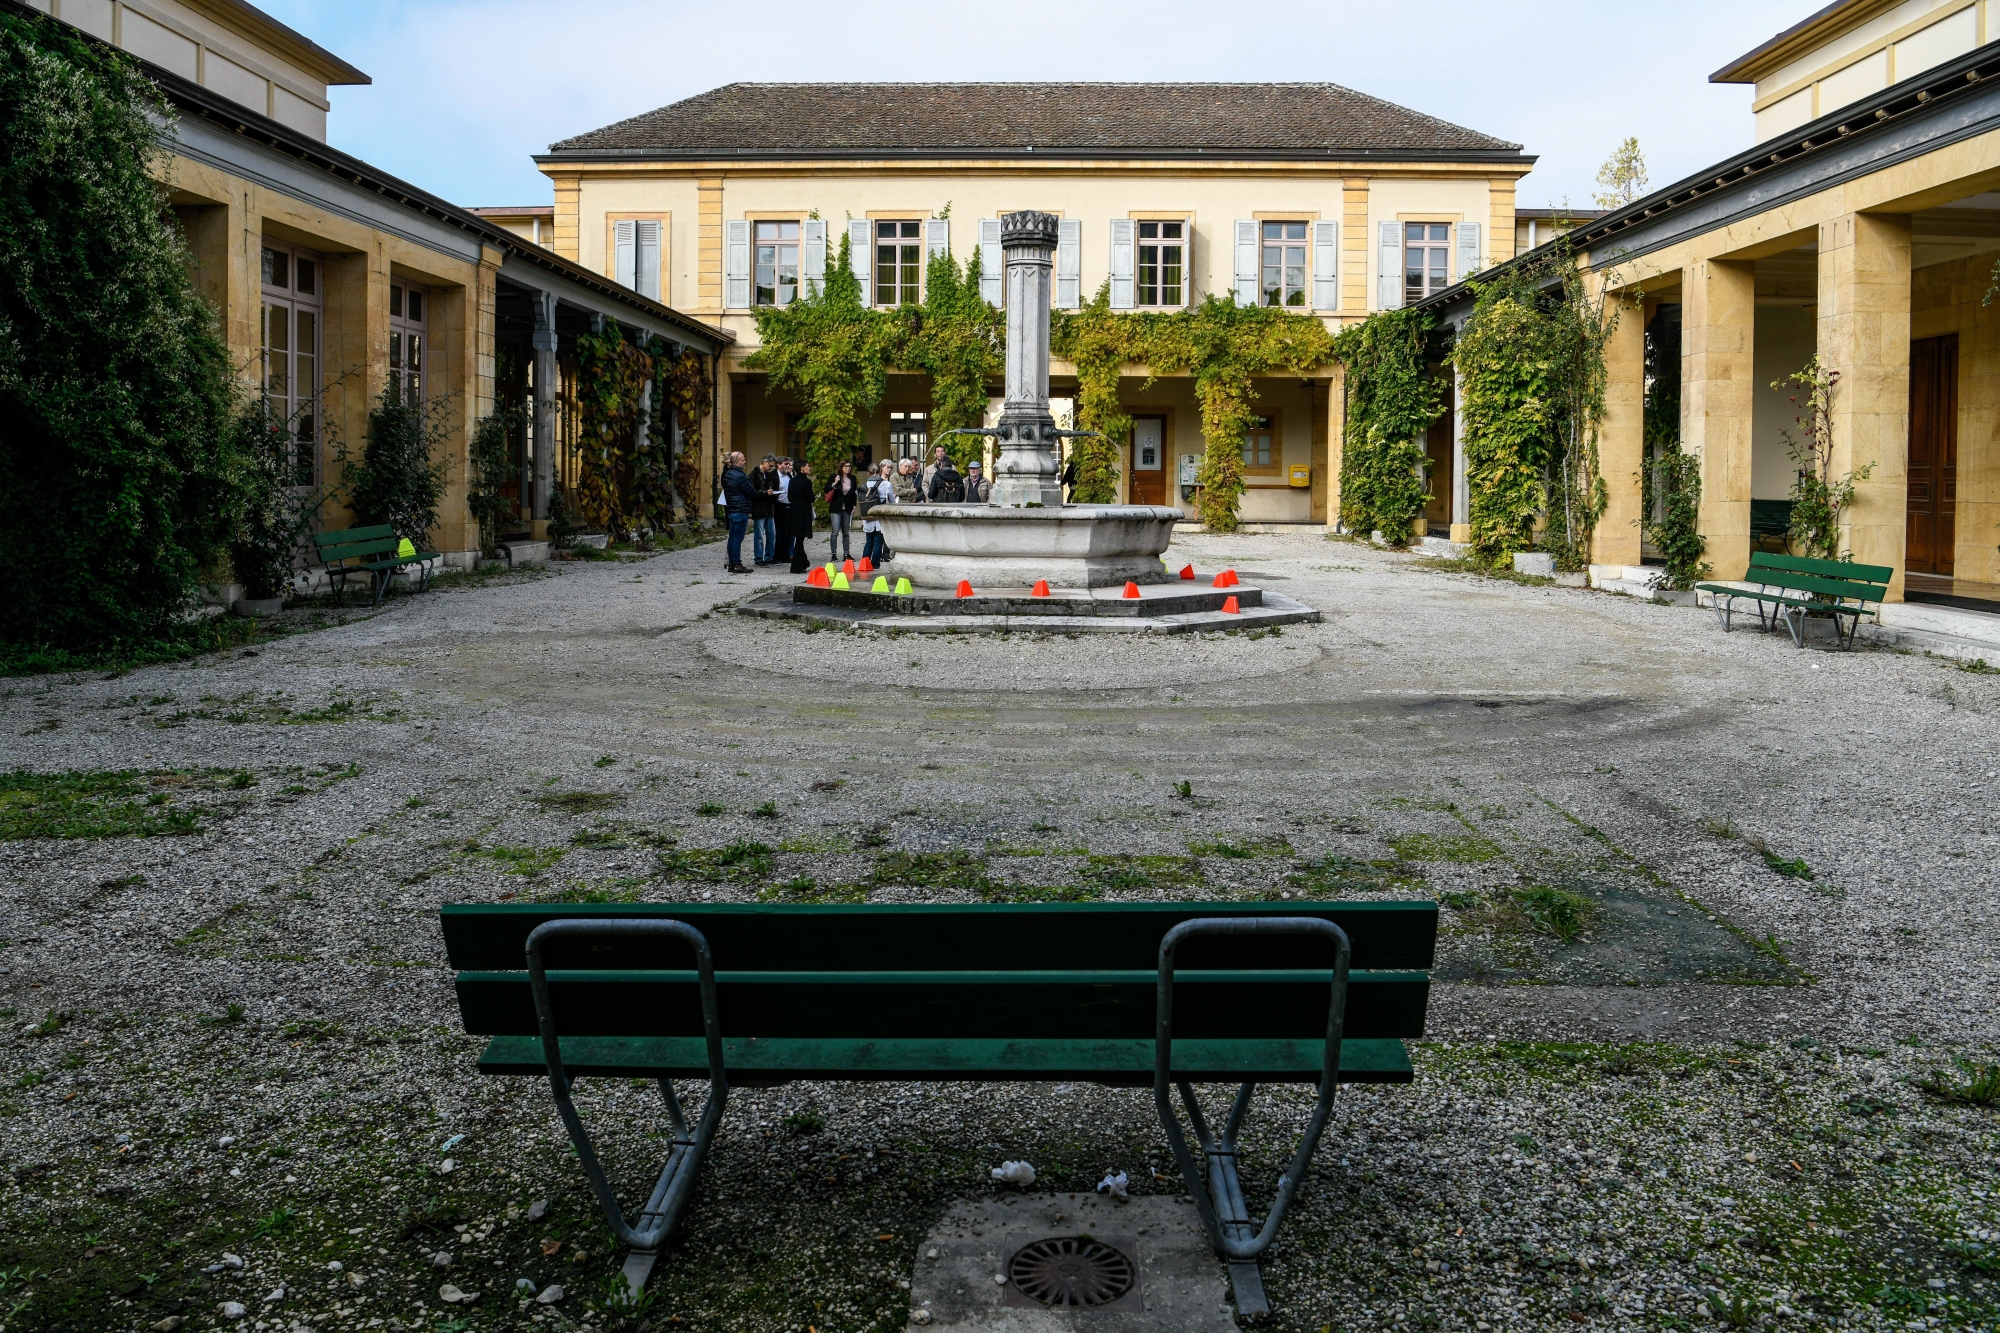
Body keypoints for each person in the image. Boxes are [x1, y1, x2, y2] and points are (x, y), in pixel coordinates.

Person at [720, 451, 754, 573]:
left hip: (732, 508)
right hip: (740, 508)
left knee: (732, 537)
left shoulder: (728, 474)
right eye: (742, 460)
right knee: (737, 538)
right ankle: (736, 563)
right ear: (735, 462)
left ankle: (731, 563)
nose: (744, 461)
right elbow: (750, 491)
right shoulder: (740, 475)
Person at [860, 459, 895, 566]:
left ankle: (865, 563)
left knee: (868, 542)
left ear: (868, 473)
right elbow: (892, 501)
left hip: (868, 516)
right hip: (880, 517)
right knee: (878, 542)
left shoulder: (864, 486)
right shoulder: (886, 484)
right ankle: (875, 564)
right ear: (880, 471)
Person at [823, 460, 859, 562]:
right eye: (845, 466)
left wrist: (854, 505)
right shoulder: (835, 476)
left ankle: (846, 554)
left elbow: (853, 494)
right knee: (835, 532)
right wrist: (835, 483)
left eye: (849, 466)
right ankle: (834, 554)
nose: (848, 468)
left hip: (847, 507)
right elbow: (826, 489)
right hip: (836, 507)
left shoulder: (852, 478)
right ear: (841, 467)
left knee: (846, 532)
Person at [787, 460, 816, 574]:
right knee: (800, 539)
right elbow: (811, 498)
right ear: (802, 469)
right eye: (808, 466)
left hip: (794, 510)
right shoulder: (806, 482)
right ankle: (796, 565)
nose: (809, 468)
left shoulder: (792, 481)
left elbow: (789, 497)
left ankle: (803, 562)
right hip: (803, 510)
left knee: (799, 538)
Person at [750, 455, 779, 564]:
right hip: (759, 508)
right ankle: (758, 557)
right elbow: (752, 492)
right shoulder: (754, 474)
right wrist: (765, 493)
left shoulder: (769, 476)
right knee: (759, 535)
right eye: (770, 465)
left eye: (772, 466)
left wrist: (773, 493)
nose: (770, 468)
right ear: (764, 462)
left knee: (772, 534)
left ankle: (769, 557)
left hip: (769, 507)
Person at [771, 457, 796, 566]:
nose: (788, 466)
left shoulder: (789, 476)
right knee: (779, 532)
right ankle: (776, 556)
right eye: (785, 464)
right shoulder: (774, 476)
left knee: (788, 532)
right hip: (779, 506)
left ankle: (785, 555)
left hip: (789, 505)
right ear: (778, 465)